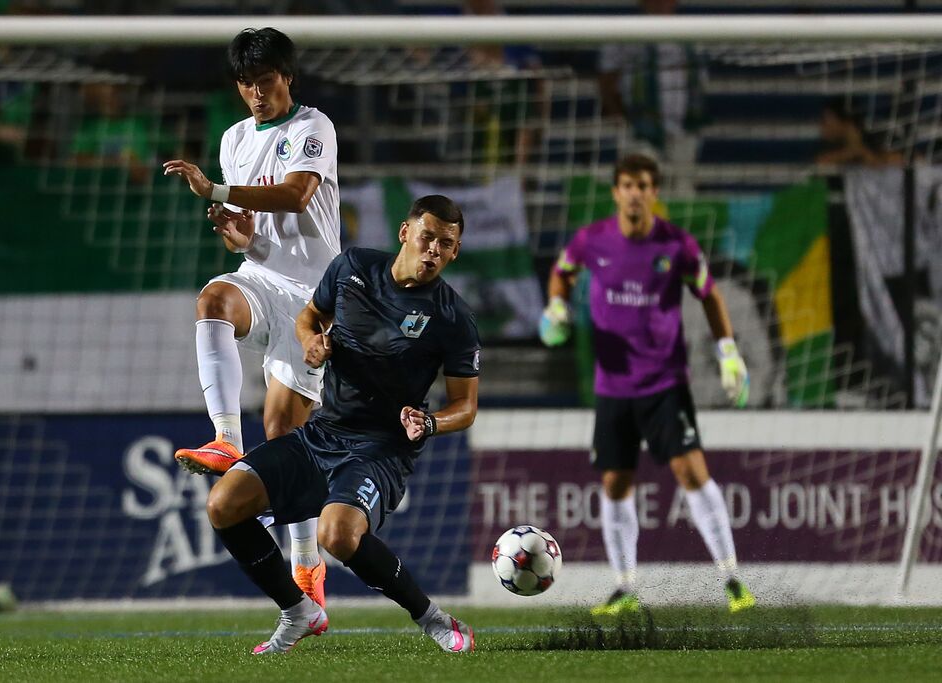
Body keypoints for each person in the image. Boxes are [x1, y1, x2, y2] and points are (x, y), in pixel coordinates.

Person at [205, 195, 480, 654]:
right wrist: (311, 341)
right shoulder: (351, 268)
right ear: (405, 234)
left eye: (445, 244)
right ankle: (299, 611)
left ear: (454, 253)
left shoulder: (453, 319)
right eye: (427, 237)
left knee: (336, 534)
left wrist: (430, 423)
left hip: (380, 450)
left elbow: (465, 406)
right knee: (223, 504)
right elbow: (310, 317)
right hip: (323, 432)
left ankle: (432, 618)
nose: (433, 250)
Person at [162, 27, 340, 606]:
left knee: (285, 434)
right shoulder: (234, 138)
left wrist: (213, 188)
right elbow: (252, 233)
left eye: (266, 82)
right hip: (263, 280)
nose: (258, 94)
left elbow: (293, 195)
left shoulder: (313, 128)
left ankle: (308, 565)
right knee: (213, 300)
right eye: (247, 85)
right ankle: (223, 439)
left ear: (287, 77)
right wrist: (239, 237)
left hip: (314, 298)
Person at [540, 154, 756, 615]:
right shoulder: (591, 240)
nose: (634, 193)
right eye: (626, 185)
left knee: (690, 471)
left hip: (664, 383)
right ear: (616, 192)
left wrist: (728, 353)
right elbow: (562, 272)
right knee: (616, 482)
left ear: (654, 192)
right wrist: (555, 308)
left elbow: (710, 294)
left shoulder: (676, 244)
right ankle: (624, 587)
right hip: (613, 387)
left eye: (642, 185)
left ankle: (733, 579)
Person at [597, 0, 705, 195]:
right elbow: (607, 80)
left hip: (683, 129)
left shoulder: (692, 31)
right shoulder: (623, 33)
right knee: (641, 192)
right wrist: (621, 120)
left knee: (683, 193)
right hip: (640, 130)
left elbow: (698, 83)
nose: (660, 3)